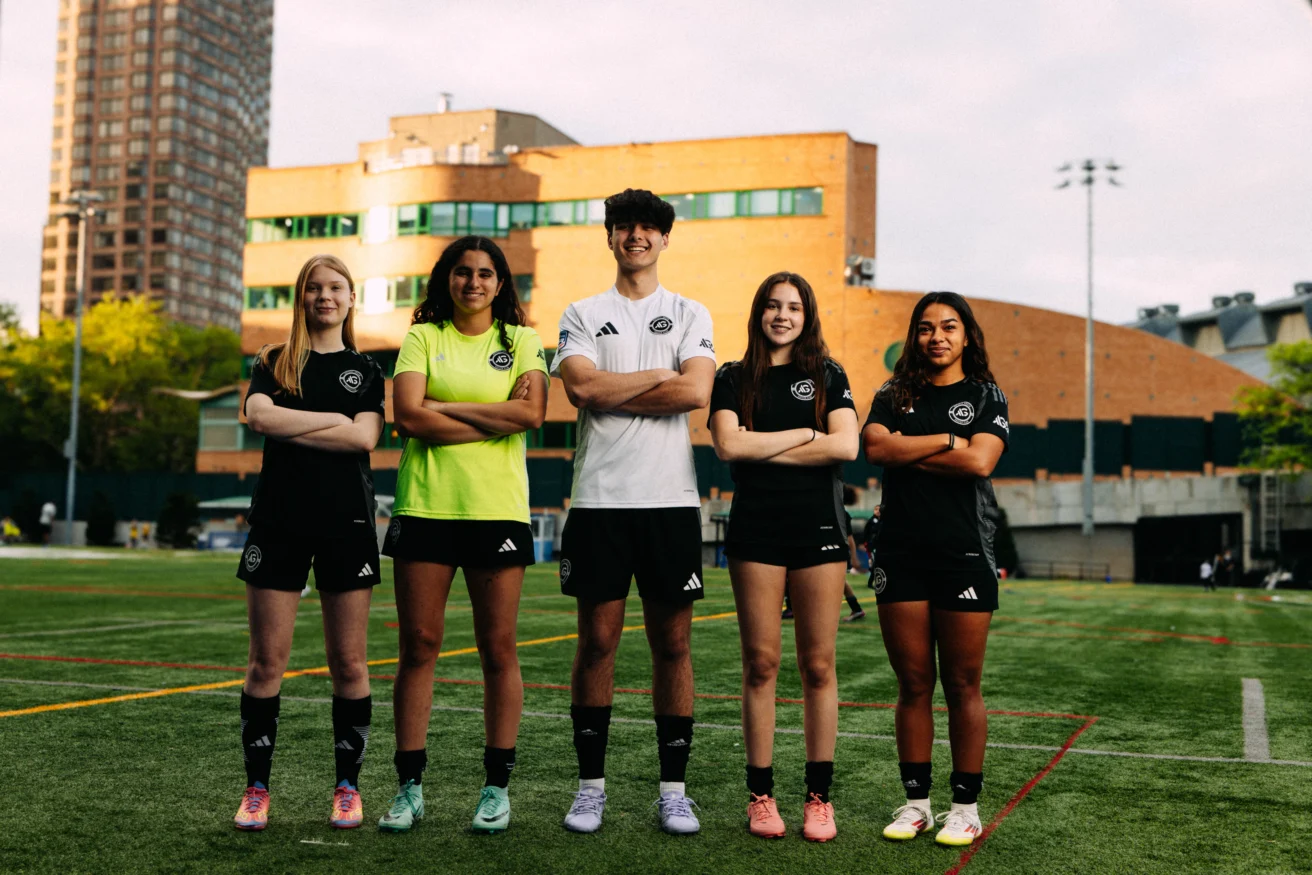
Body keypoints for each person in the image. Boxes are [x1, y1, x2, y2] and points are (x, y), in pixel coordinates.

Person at [551, 188, 716, 835]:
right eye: (624, 227)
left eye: (648, 228)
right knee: (596, 644)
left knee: (673, 644)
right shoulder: (583, 311)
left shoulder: (689, 310)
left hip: (669, 502)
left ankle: (673, 789)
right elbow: (581, 387)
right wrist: (657, 374)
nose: (636, 237)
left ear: (665, 238)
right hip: (598, 502)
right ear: (611, 236)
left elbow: (696, 389)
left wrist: (617, 387)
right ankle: (590, 786)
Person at [377, 236, 549, 834]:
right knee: (419, 646)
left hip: (496, 512)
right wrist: (490, 417)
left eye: (484, 273)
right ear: (445, 279)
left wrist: (442, 412)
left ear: (500, 283)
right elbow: (406, 417)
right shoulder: (423, 337)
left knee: (497, 649)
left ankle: (496, 788)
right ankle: (409, 787)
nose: (472, 282)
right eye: (462, 272)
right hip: (425, 507)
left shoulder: (523, 341)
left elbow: (531, 417)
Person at [233, 254, 385, 832]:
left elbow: (365, 436)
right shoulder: (272, 361)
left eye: (336, 288)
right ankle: (256, 789)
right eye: (315, 288)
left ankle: (347, 788)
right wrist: (332, 424)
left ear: (350, 299)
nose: (325, 296)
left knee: (348, 663)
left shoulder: (367, 369)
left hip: (346, 523)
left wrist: (290, 418)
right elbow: (258, 417)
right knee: (265, 662)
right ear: (302, 297)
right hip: (278, 523)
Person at [708, 271, 859, 841]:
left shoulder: (827, 374)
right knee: (761, 665)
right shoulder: (732, 376)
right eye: (773, 305)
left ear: (807, 315)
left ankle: (819, 799)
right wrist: (804, 436)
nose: (782, 316)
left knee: (818, 666)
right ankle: (761, 797)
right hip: (757, 533)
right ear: (759, 313)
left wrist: (766, 443)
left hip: (818, 530)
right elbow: (728, 445)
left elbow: (845, 445)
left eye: (793, 307)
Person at [862, 291, 1010, 847]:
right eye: (926, 328)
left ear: (967, 335)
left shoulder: (986, 393)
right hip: (899, 551)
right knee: (914, 683)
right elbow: (874, 448)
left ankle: (965, 808)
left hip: (964, 552)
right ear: (914, 336)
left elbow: (981, 460)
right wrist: (947, 438)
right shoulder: (893, 392)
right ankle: (917, 803)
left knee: (963, 683)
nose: (937, 337)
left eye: (949, 327)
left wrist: (911, 447)